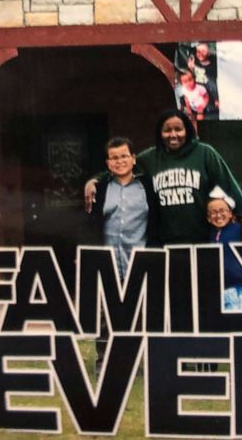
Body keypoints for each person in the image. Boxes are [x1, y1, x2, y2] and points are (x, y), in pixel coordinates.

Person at [85, 109, 242, 245]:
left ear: (187, 130)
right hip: (165, 241)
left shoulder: (204, 153)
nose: (173, 135)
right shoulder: (151, 158)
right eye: (167, 130)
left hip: (202, 237)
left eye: (178, 129)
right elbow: (123, 166)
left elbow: (228, 185)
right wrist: (95, 181)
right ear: (160, 133)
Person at [86, 137, 157, 374]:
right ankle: (105, 364)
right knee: (105, 316)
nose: (120, 161)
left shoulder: (147, 186)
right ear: (108, 163)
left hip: (139, 258)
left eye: (124, 156)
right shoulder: (101, 188)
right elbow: (90, 223)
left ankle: (136, 365)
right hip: (108, 260)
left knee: (138, 315)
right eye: (114, 158)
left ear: (133, 159)